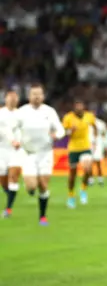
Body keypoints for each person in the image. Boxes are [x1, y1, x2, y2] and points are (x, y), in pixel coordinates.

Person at [14, 84, 65, 225]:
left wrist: (57, 135)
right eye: (34, 94)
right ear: (29, 96)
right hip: (28, 153)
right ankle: (30, 188)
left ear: (43, 96)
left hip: (45, 153)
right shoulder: (22, 112)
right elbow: (14, 129)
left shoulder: (49, 112)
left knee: (43, 185)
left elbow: (61, 130)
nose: (36, 97)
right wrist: (16, 140)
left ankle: (42, 216)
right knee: (31, 186)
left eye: (39, 94)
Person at [62, 101, 97, 208]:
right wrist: (70, 131)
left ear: (83, 107)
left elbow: (94, 127)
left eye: (81, 106)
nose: (79, 108)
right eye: (77, 107)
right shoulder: (68, 118)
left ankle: (83, 189)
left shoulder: (89, 116)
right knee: (72, 174)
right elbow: (63, 132)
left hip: (85, 147)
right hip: (73, 148)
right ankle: (71, 196)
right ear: (74, 108)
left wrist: (95, 140)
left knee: (87, 168)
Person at [0, 90, 25, 218]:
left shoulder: (22, 115)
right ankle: (9, 193)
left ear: (18, 100)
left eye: (15, 98)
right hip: (1, 150)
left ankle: (8, 209)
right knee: (3, 181)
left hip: (16, 150)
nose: (12, 100)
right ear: (5, 99)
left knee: (13, 177)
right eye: (10, 97)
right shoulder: (1, 113)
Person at [89, 116, 107, 187]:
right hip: (89, 145)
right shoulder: (87, 123)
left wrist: (104, 144)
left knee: (98, 163)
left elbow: (104, 133)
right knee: (90, 163)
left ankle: (100, 179)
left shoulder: (100, 123)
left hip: (98, 146)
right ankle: (90, 180)